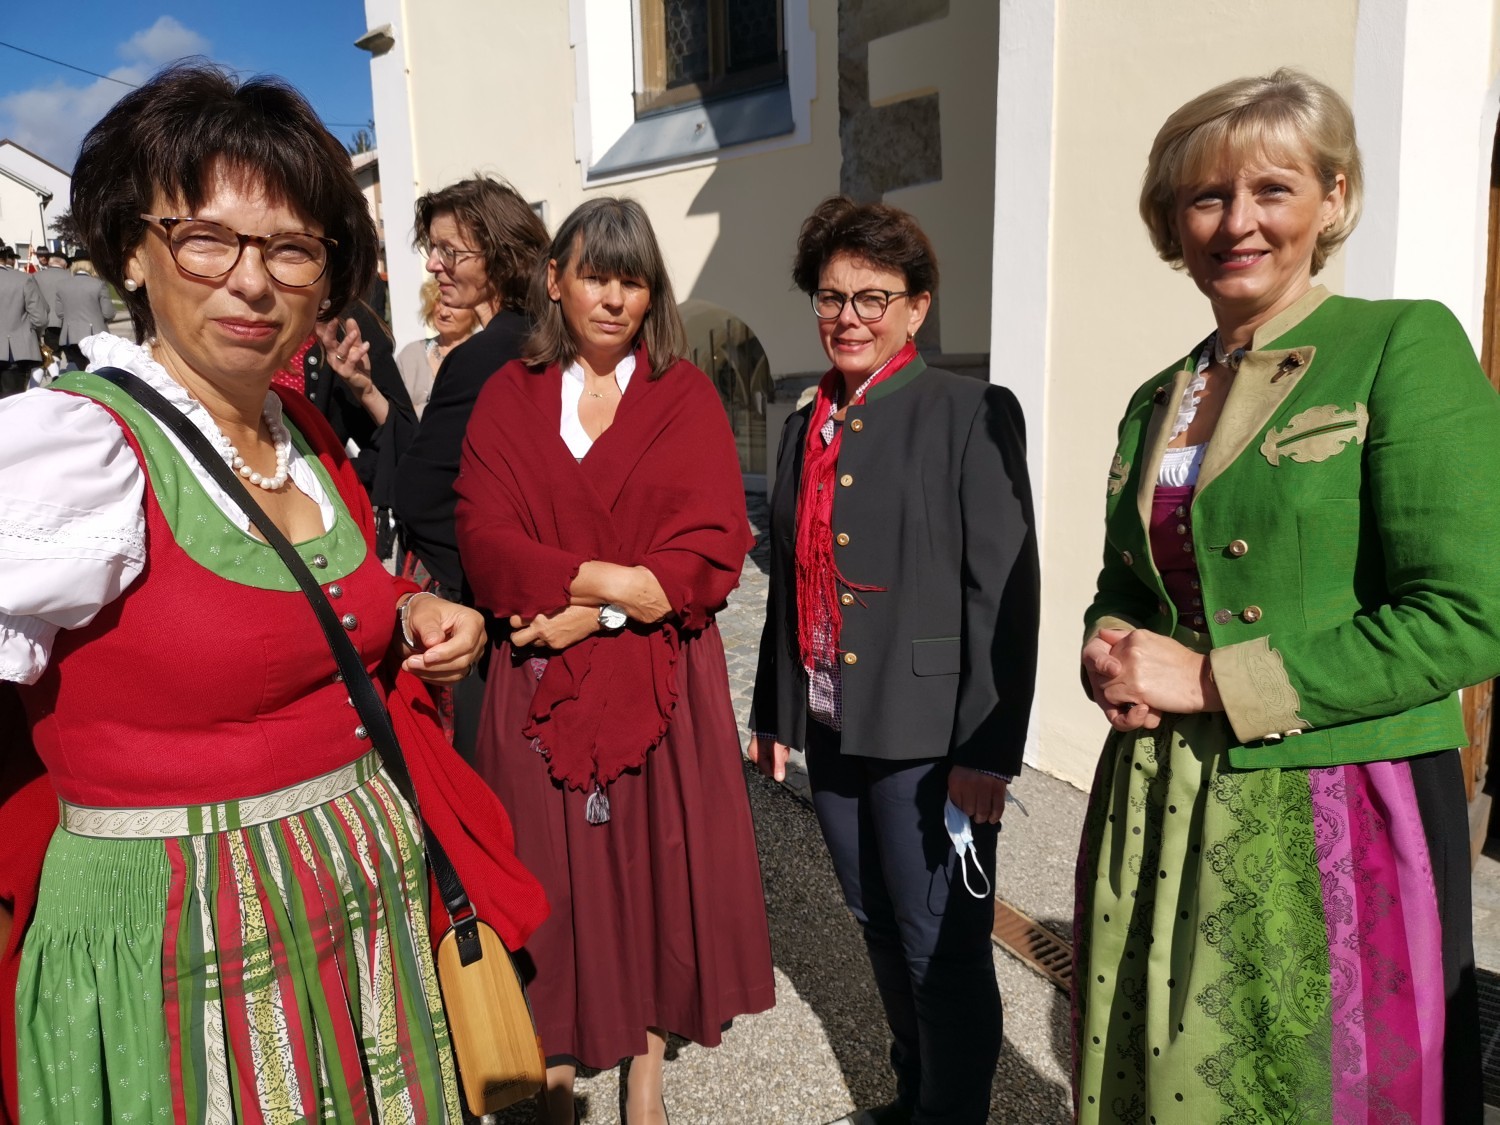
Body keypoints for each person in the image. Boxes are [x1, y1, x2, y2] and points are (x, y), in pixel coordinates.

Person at [0, 63, 546, 1123]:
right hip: (178, 945)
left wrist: (412, 612)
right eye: (206, 238)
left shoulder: (301, 436)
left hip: (366, 919)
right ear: (131, 250)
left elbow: (326, 604)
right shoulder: (74, 451)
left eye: (292, 248)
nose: (253, 282)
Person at [1075, 68, 1500, 1124]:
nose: (1238, 223)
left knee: (1314, 1088)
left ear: (1333, 197)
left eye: (1272, 188)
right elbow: (1128, 580)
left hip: (1337, 799)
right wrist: (1107, 642)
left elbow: (1470, 617)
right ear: (1174, 221)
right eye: (1207, 197)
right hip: (1161, 795)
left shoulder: (1400, 345)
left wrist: (1215, 680)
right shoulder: (1158, 396)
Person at [455, 197, 775, 1125]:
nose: (613, 298)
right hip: (537, 680)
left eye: (632, 281)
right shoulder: (510, 395)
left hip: (659, 679)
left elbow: (713, 542)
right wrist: (604, 580)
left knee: (651, 873)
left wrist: (586, 614)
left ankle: (645, 1069)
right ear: (555, 280)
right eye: (596, 276)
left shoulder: (684, 394)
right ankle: (555, 1064)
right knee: (547, 874)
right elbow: (484, 537)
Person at [749, 196, 1039, 1125]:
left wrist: (989, 750)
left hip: (931, 734)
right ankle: (915, 1093)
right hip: (834, 718)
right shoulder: (805, 422)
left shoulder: (969, 410)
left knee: (939, 943)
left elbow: (1004, 592)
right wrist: (774, 709)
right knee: (873, 918)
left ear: (917, 307)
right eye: (832, 297)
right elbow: (790, 573)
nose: (849, 317)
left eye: (873, 297)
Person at [394, 278, 479, 418]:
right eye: (440, 302)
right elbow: (396, 413)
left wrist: (417, 410)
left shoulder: (482, 355)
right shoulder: (411, 355)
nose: (444, 313)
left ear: (474, 310)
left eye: (454, 305)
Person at [55, 256, 117, 370]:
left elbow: (59, 313)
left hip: (70, 335)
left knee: (78, 367)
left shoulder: (61, 285)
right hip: (95, 335)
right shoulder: (99, 284)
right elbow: (108, 313)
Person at [0, 246, 46, 398]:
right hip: (15, 351)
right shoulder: (23, 279)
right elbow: (40, 318)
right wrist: (32, 336)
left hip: (13, 351)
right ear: (6, 256)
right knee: (13, 404)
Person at [31, 250, 66, 358]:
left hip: (48, 321)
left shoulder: (36, 276)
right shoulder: (71, 276)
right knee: (74, 358)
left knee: (52, 356)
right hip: (69, 321)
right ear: (64, 264)